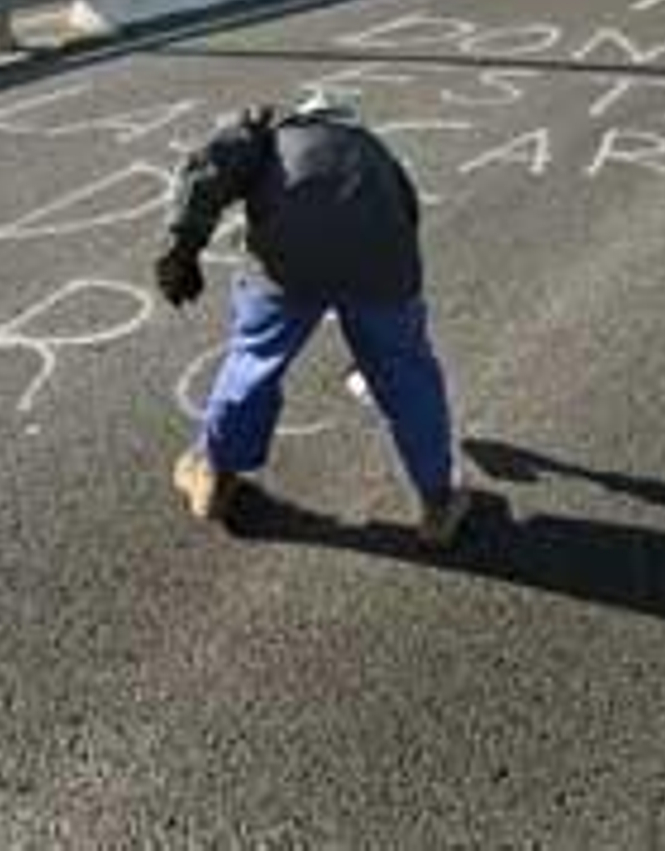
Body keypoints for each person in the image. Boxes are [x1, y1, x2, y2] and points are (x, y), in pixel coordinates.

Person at [154, 92, 472, 549]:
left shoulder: (269, 137)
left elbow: (208, 171)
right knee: (406, 374)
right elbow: (407, 214)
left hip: (289, 262)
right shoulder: (374, 149)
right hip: (380, 264)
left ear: (303, 117)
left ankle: (215, 474)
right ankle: (438, 501)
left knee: (255, 360)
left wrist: (181, 249)